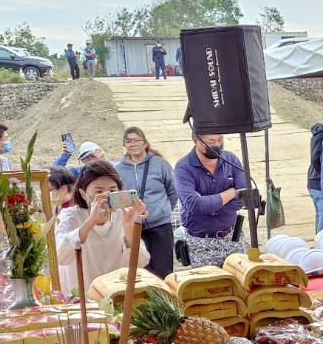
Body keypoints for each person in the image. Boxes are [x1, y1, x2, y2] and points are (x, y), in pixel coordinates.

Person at [53, 160, 149, 297]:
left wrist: (129, 228)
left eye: (112, 190)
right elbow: (61, 256)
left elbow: (139, 263)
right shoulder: (71, 215)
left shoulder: (124, 214)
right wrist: (91, 221)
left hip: (116, 295)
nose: (106, 196)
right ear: (83, 193)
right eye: (99, 191)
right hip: (81, 299)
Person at [174, 130, 253, 267]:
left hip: (232, 237)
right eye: (211, 141)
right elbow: (196, 205)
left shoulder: (231, 159)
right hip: (200, 242)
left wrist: (209, 205)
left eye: (220, 139)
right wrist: (231, 192)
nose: (217, 145)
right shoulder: (183, 167)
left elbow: (245, 196)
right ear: (195, 139)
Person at [115, 126, 179, 278]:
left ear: (145, 143)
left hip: (160, 226)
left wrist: (162, 211)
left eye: (137, 140)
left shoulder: (160, 164)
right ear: (124, 145)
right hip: (134, 227)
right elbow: (118, 197)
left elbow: (173, 192)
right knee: (142, 272)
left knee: (164, 272)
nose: (133, 144)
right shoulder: (118, 170)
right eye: (129, 141)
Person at [307, 113, 323, 229]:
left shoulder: (317, 134)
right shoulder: (322, 136)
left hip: (312, 180)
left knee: (320, 215)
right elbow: (315, 158)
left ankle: (319, 241)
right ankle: (321, 243)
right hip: (317, 181)